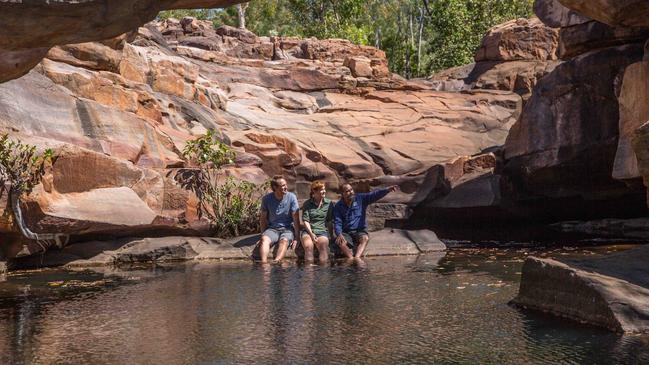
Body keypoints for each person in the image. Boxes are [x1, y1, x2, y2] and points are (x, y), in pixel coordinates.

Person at [333, 183, 399, 259]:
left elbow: (374, 195)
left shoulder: (360, 198)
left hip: (360, 230)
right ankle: (351, 258)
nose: (351, 192)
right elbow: (337, 222)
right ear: (343, 194)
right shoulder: (338, 206)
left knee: (365, 238)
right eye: (347, 191)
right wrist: (339, 233)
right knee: (341, 242)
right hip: (346, 232)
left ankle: (357, 258)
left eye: (351, 190)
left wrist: (387, 190)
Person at [258, 175, 300, 263]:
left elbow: (296, 218)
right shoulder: (267, 199)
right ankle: (264, 263)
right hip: (272, 229)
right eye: (283, 186)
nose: (286, 187)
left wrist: (296, 237)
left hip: (287, 229)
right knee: (264, 240)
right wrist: (263, 234)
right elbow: (263, 218)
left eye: (286, 185)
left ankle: (276, 261)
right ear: (275, 187)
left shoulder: (291, 197)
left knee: (284, 241)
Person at [300, 181, 333, 263]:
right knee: (308, 246)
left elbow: (329, 221)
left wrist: (331, 235)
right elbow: (305, 221)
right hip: (308, 232)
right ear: (314, 191)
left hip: (321, 231)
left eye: (324, 189)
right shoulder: (307, 204)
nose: (324, 191)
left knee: (323, 246)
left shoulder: (328, 203)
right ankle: (309, 273)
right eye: (321, 190)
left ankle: (324, 273)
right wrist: (311, 234)